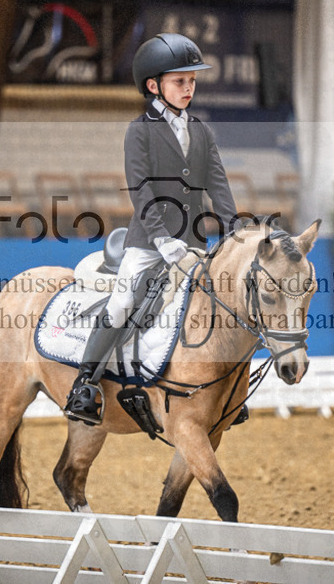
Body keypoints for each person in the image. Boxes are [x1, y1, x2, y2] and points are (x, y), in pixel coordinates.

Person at [63, 33, 238, 425]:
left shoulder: (202, 131)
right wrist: (163, 239)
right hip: (148, 243)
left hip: (194, 243)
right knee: (123, 303)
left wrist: (233, 230)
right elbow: (141, 190)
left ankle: (223, 393)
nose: (189, 87)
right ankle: (84, 385)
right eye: (180, 81)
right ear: (154, 85)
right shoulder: (139, 131)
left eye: (192, 80)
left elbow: (218, 185)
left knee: (221, 307)